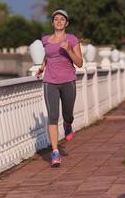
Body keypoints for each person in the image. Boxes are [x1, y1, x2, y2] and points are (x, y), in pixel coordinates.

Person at [35, 9, 83, 168]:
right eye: (56, 19)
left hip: (68, 81)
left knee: (67, 113)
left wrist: (69, 49)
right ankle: (55, 152)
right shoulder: (46, 40)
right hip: (50, 82)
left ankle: (68, 124)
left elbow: (80, 63)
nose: (59, 21)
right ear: (52, 22)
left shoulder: (72, 39)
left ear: (67, 23)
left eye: (62, 19)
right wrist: (42, 68)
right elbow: (48, 56)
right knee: (53, 116)